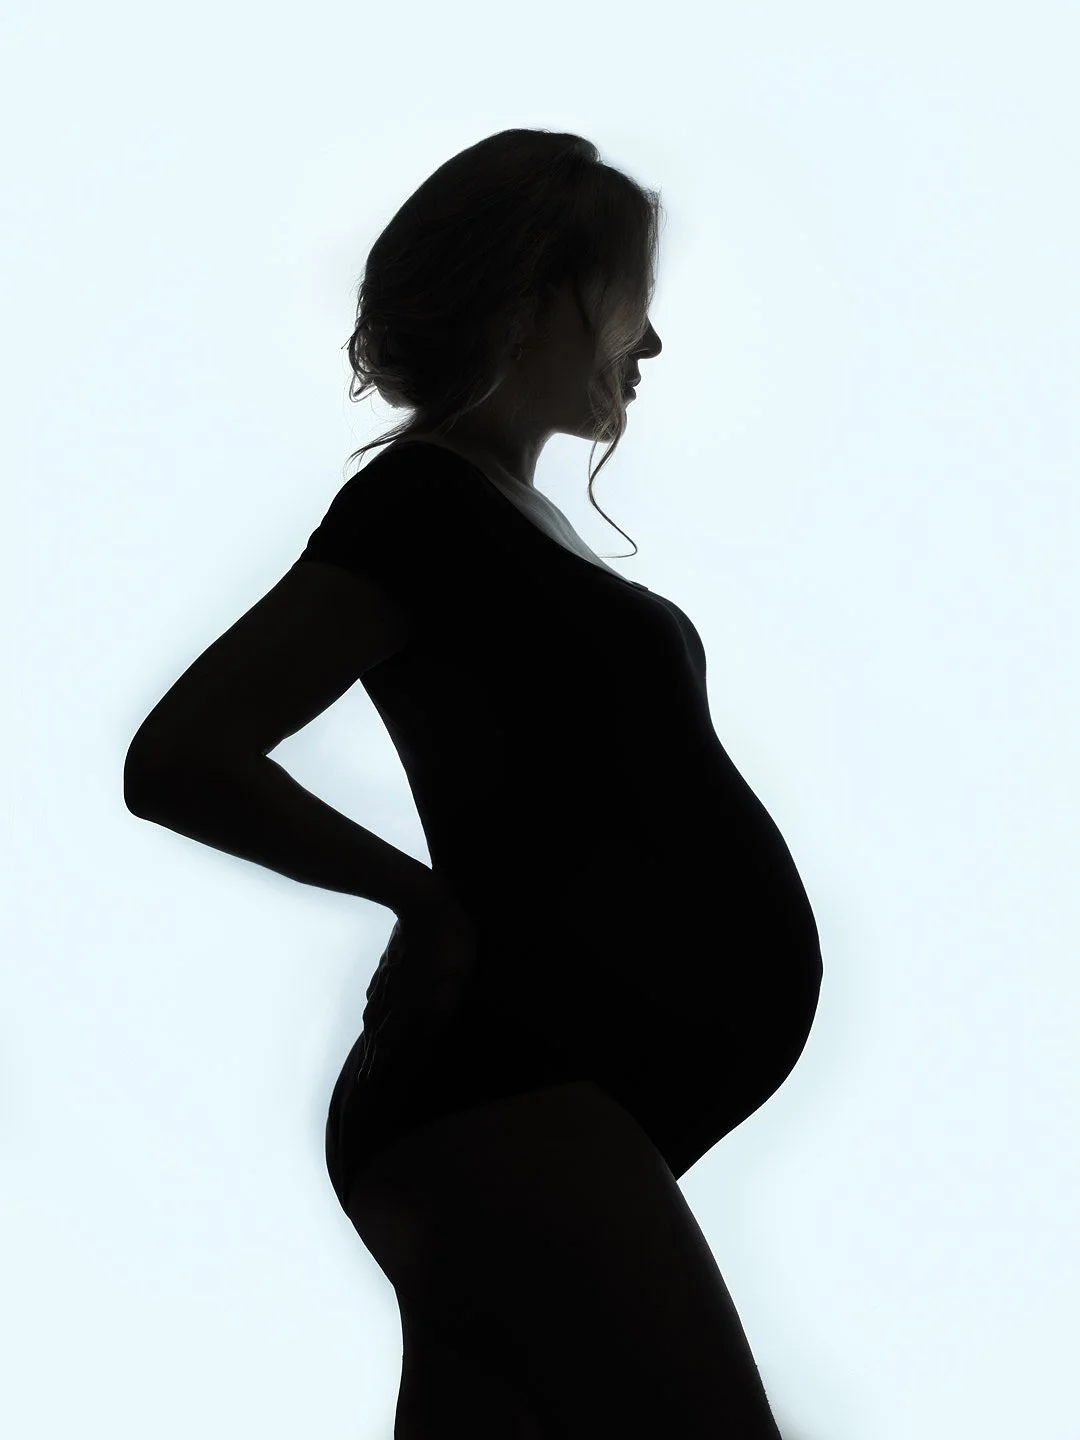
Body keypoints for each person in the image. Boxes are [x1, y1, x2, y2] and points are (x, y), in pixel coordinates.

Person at [124, 130, 823, 1438]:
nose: (649, 345)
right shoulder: (422, 509)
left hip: (531, 1105)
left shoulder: (495, 513)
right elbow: (181, 755)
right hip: (500, 1091)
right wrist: (425, 906)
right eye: (630, 297)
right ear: (538, 291)